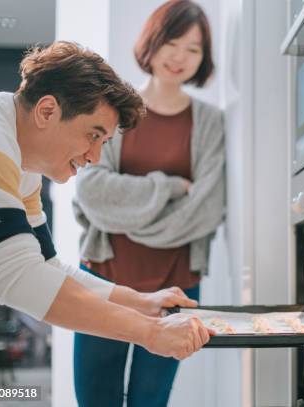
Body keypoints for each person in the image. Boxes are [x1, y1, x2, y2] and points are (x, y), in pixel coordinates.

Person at [0, 41, 214, 363]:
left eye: (103, 142)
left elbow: (46, 265)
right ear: (47, 111)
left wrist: (138, 301)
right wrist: (150, 332)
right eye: (93, 136)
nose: (94, 157)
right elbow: (19, 278)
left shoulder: (23, 170)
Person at [72, 1, 225, 406]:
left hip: (176, 288)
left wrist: (127, 214)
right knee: (95, 399)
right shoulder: (115, 110)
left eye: (193, 49)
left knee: (150, 401)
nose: (179, 57)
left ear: (203, 58)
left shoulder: (210, 121)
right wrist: (171, 188)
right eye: (172, 42)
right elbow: (91, 191)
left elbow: (208, 209)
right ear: (152, 43)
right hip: (104, 281)